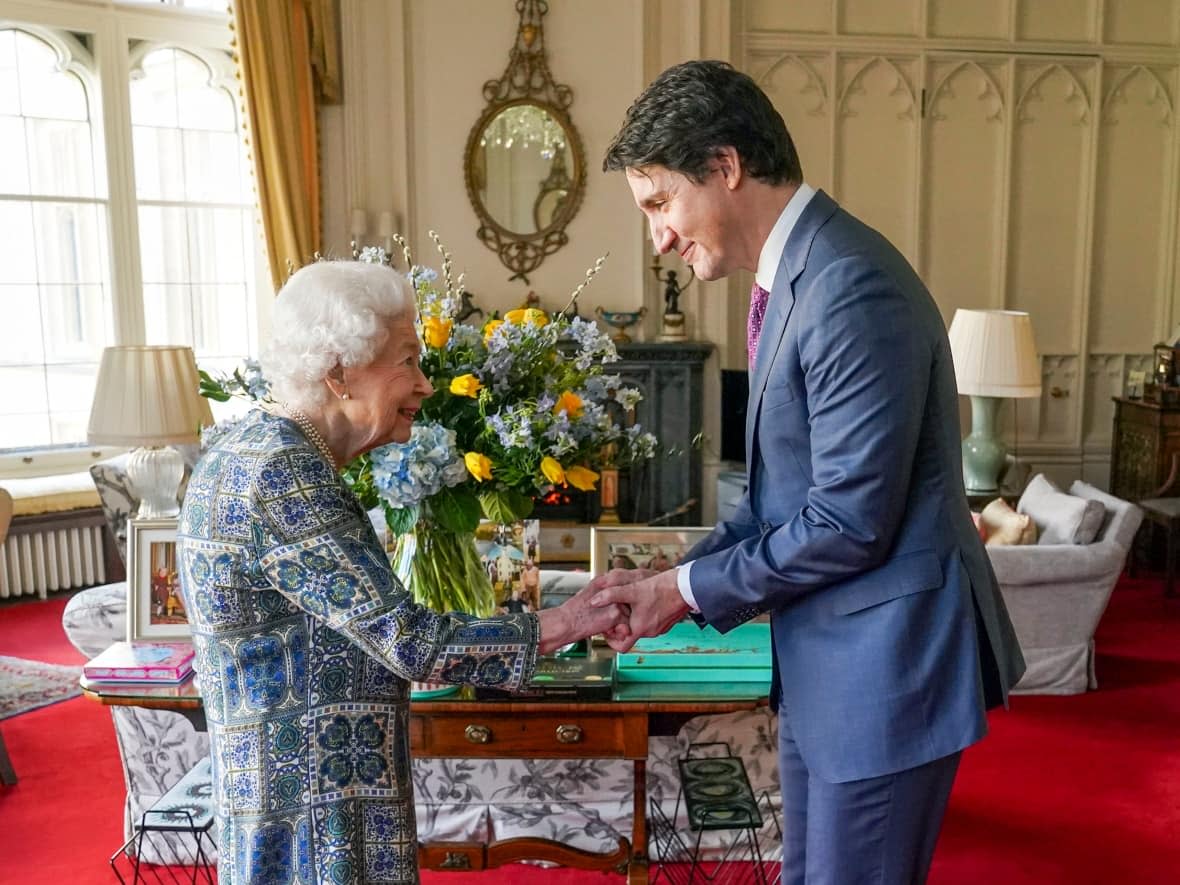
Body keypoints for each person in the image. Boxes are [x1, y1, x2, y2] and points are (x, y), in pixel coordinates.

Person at [592, 60, 1025, 885]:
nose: (659, 238)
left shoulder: (849, 284)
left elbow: (847, 523)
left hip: (885, 674)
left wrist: (682, 594)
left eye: (659, 204)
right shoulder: (795, 278)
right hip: (832, 667)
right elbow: (776, 500)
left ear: (725, 167)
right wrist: (672, 577)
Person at [176, 259, 627, 885]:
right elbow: (410, 642)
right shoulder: (283, 475)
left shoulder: (248, 446)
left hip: (286, 798)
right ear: (339, 372)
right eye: (407, 360)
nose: (425, 385)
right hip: (315, 815)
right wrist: (563, 622)